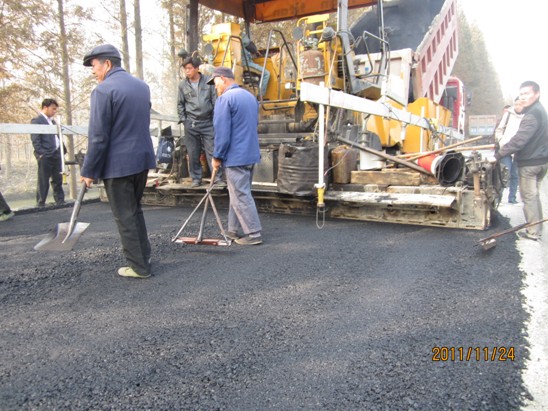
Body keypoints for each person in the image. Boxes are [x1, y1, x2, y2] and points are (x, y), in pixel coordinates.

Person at [80, 44, 156, 279]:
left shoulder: (103, 91)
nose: (93, 71)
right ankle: (144, 257)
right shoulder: (142, 87)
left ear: (107, 64)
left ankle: (139, 267)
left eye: (94, 66)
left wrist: (89, 170)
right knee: (134, 210)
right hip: (141, 159)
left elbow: (98, 135)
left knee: (125, 215)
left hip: (118, 164)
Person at [208, 66, 263, 245]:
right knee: (238, 193)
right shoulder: (250, 97)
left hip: (235, 157)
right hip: (250, 154)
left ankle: (253, 234)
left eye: (215, 82)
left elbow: (222, 132)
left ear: (223, 78)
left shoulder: (225, 99)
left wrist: (217, 156)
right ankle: (232, 230)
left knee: (241, 196)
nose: (215, 87)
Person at [494, 81, 548, 241]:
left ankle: (533, 232)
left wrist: (497, 155)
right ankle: (537, 227)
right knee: (534, 196)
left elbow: (519, 140)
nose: (523, 97)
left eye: (527, 93)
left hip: (530, 163)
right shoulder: (540, 111)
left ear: (537, 94)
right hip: (541, 161)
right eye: (521, 94)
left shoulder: (532, 115)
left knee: (529, 197)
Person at [177, 56, 222, 187]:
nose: (187, 71)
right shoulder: (182, 85)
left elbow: (215, 101)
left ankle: (217, 178)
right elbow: (180, 104)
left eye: (189, 68)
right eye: (185, 69)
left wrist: (215, 120)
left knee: (212, 151)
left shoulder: (209, 82)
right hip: (191, 123)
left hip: (208, 122)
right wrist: (184, 121)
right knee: (193, 152)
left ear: (197, 68)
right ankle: (196, 179)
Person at [30, 98, 65, 207]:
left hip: (56, 153)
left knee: (57, 179)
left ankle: (60, 201)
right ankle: (41, 203)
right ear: (45, 107)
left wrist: (62, 150)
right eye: (53, 109)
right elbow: (35, 139)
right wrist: (41, 153)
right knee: (43, 179)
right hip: (45, 154)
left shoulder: (53, 122)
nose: (54, 111)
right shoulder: (37, 121)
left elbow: (57, 137)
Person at [495, 98, 524, 203]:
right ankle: (498, 198)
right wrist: (501, 141)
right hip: (506, 148)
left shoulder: (526, 116)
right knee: (505, 173)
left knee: (515, 174)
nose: (518, 106)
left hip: (519, 150)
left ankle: (512, 198)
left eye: (520, 104)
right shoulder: (508, 115)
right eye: (516, 104)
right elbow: (499, 129)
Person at [241, 33, 270, 98]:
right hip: (245, 62)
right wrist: (256, 51)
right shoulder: (241, 35)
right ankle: (260, 95)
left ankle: (255, 90)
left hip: (240, 63)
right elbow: (251, 47)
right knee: (266, 74)